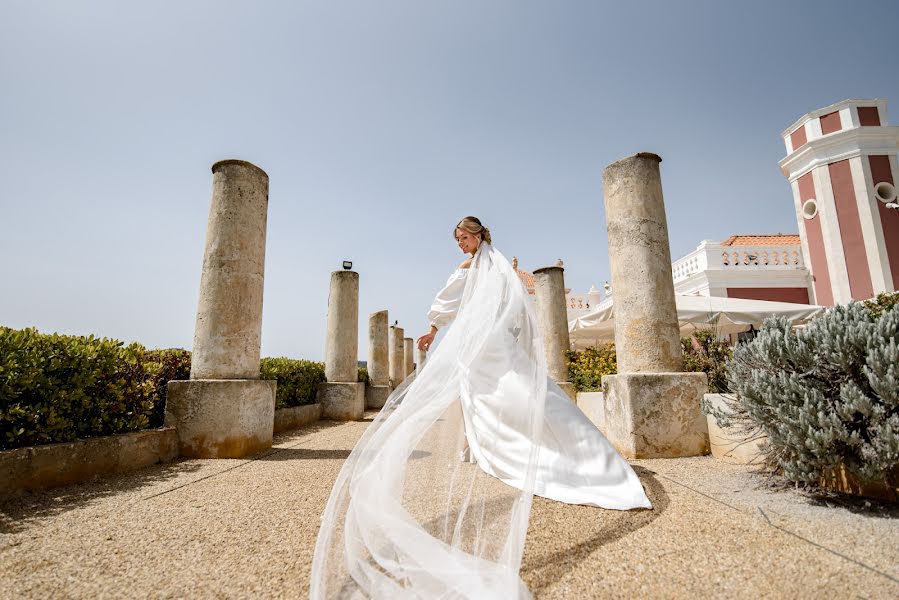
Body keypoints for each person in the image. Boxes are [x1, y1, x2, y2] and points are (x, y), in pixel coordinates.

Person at [310, 217, 650, 600]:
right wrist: (437, 332)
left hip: (490, 346)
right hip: (488, 345)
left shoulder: (489, 266)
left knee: (518, 394)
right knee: (492, 396)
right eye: (458, 240)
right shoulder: (489, 266)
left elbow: (468, 304)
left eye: (465, 237)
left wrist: (448, 331)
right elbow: (459, 304)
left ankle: (548, 451)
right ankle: (497, 446)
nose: (462, 244)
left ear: (480, 235)